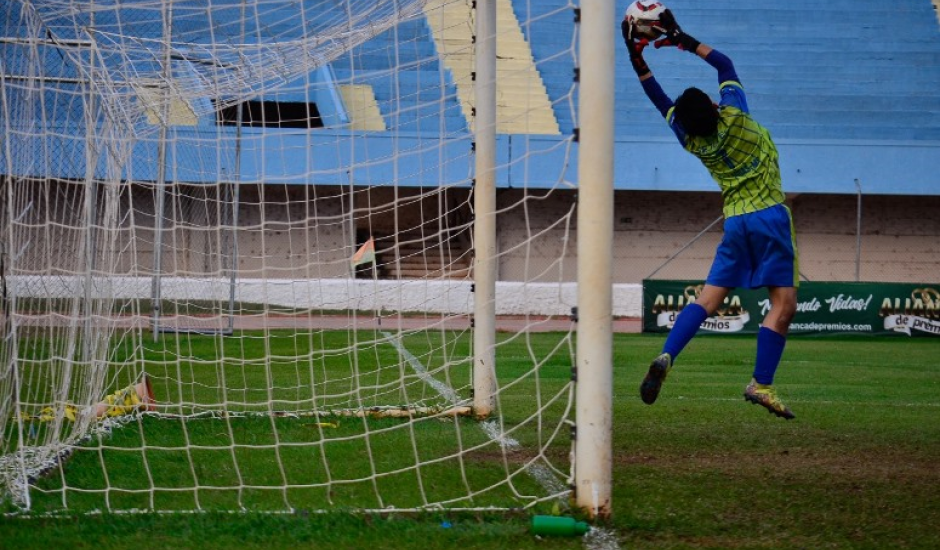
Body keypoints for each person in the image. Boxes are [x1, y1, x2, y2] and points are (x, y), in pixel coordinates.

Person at [622, 9, 799, 419]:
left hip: (736, 222)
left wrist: (639, 61)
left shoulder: (690, 141)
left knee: (707, 298)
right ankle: (762, 383)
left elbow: (658, 99)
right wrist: (683, 40)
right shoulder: (737, 115)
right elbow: (724, 64)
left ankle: (667, 355)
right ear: (716, 107)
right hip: (770, 216)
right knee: (784, 303)